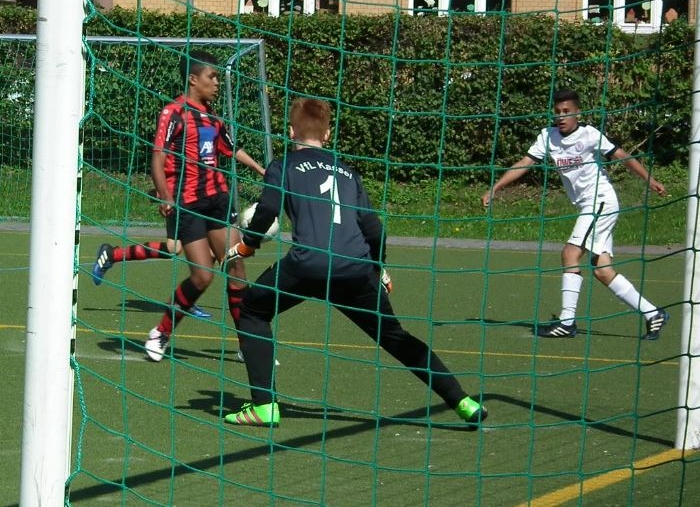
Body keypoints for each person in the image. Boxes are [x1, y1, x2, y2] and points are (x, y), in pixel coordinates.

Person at [221, 97, 487, 427]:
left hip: (307, 266)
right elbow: (374, 229)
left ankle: (264, 406)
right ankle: (462, 401)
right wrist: (377, 268)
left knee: (252, 309)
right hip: (355, 268)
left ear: (290, 132)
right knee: (395, 337)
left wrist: (247, 245)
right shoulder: (347, 172)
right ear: (327, 134)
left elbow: (267, 211)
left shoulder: (283, 165)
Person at [481, 89, 669, 340]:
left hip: (600, 202)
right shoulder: (548, 136)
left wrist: (650, 180)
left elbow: (623, 156)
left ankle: (567, 322)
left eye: (567, 112)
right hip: (588, 206)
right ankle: (653, 313)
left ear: (577, 113)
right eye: (557, 112)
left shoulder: (590, 135)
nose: (561, 116)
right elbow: (525, 163)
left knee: (570, 253)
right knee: (602, 270)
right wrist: (495, 188)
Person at [143, 49, 265, 362]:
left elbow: (231, 149)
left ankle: (247, 344)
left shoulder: (212, 116)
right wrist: (165, 195)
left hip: (218, 200)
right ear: (193, 79)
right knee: (202, 277)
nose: (217, 83)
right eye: (212, 77)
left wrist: (262, 170)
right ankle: (161, 331)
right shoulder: (173, 112)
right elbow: (157, 157)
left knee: (237, 268)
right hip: (188, 203)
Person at [91, 189, 214, 319]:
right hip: (184, 198)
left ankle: (187, 299)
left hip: (207, 199)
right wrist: (164, 192)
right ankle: (112, 255)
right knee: (174, 248)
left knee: (210, 250)